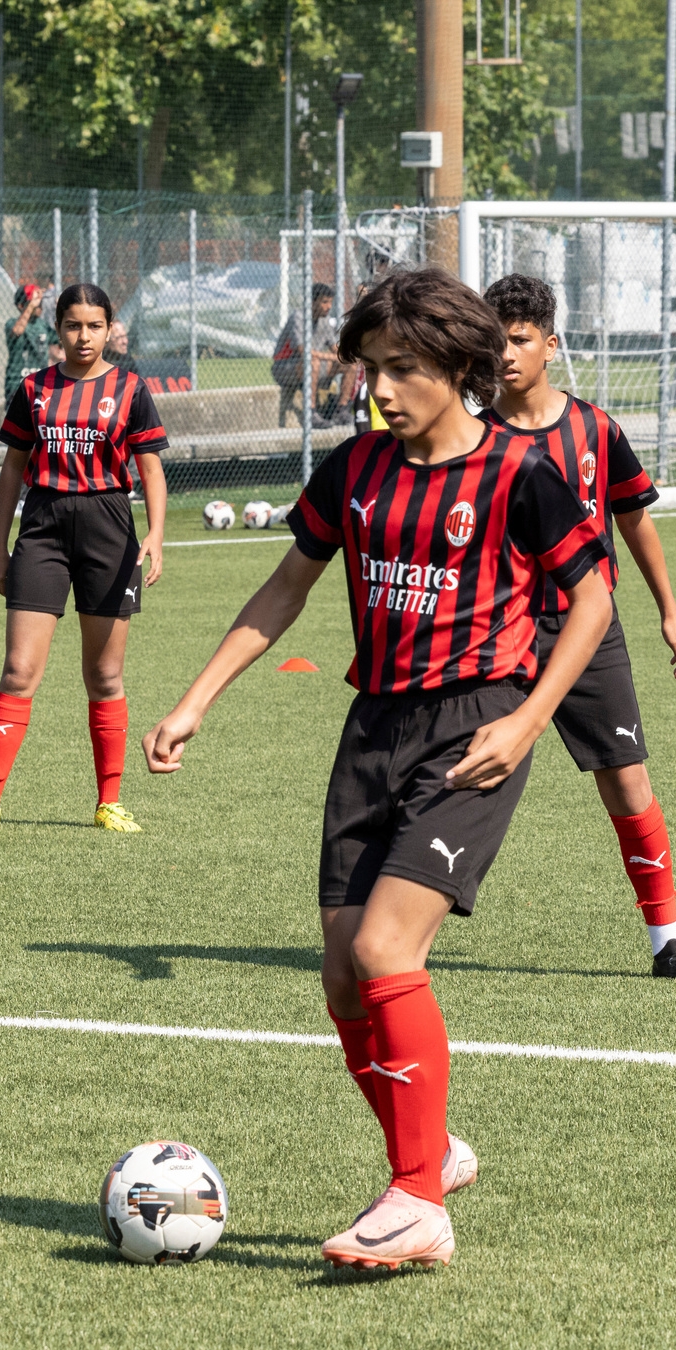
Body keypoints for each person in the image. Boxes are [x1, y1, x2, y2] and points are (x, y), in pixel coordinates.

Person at [143, 268, 614, 1271]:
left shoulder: (517, 477)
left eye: (401, 370)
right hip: (373, 730)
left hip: (475, 725)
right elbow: (283, 590)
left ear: (458, 368)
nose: (381, 391)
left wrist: (528, 721)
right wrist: (192, 700)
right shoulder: (355, 469)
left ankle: (415, 1201)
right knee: (342, 975)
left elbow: (590, 604)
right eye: (371, 370)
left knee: (387, 950)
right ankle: (429, 1149)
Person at [483, 274, 676, 983]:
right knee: (464, 775)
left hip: (592, 633)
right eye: (496, 339)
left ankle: (668, 945)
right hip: (503, 635)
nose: (507, 353)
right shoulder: (473, 437)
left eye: (521, 339)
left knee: (627, 783)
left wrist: (669, 612)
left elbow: (635, 518)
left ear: (551, 346)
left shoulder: (595, 429)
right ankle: (402, 932)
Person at [0, 284, 169, 839]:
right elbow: (11, 471)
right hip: (42, 529)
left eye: (94, 326)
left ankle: (109, 801)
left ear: (110, 328)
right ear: (57, 328)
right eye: (73, 325)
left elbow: (151, 468)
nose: (84, 336)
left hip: (110, 530)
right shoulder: (34, 389)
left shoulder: (131, 389)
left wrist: (158, 535)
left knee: (104, 673)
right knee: (19, 670)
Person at [273, 283, 336, 427]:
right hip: (285, 368)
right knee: (312, 362)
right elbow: (304, 352)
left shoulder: (325, 320)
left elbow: (335, 349)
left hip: (313, 367)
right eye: (325, 302)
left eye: (331, 302)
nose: (329, 306)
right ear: (313, 302)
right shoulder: (298, 317)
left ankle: (342, 410)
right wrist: (331, 357)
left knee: (349, 363)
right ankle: (311, 413)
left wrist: (346, 356)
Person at [3, 283, 50, 400]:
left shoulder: (43, 325)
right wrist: (31, 306)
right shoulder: (12, 323)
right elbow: (17, 331)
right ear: (21, 305)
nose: (39, 305)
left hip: (40, 385)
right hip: (17, 385)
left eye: (40, 302)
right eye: (33, 302)